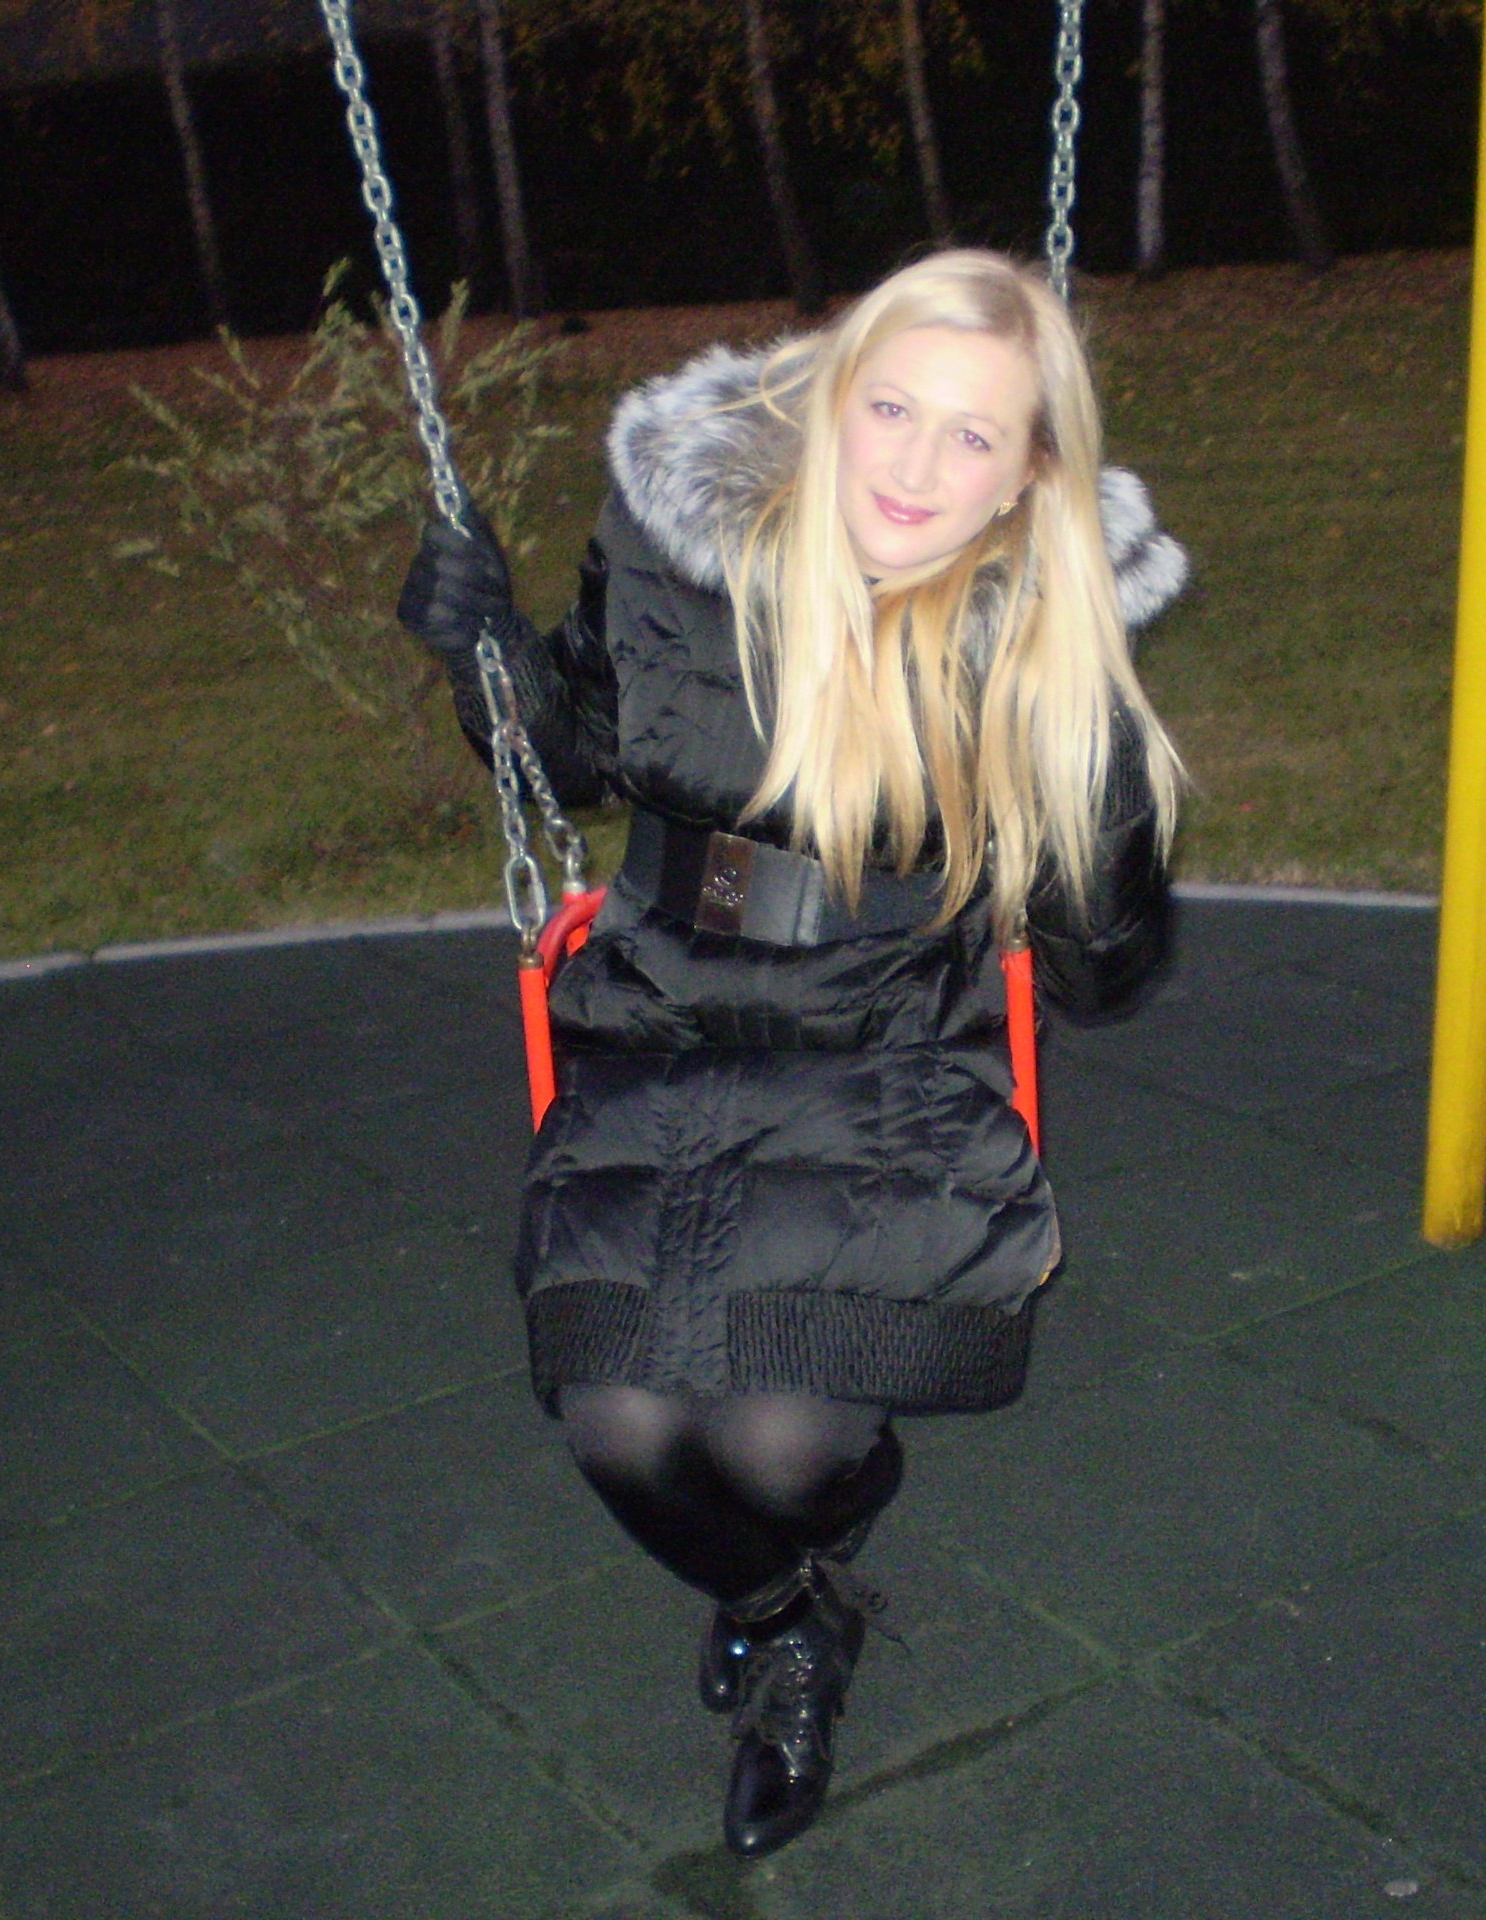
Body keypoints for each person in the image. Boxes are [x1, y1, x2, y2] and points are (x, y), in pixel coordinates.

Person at [397, 250, 1188, 1858]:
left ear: (1028, 475)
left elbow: (1103, 977)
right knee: (620, 1424)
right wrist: (487, 661)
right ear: (830, 401)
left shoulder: (1031, 632)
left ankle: (794, 1574)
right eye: (890, 408)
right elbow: (579, 744)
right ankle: (787, 1614)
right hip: (661, 1004)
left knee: (779, 1437)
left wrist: (1102, 796)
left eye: (973, 436)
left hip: (890, 1036)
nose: (915, 466)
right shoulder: (682, 540)